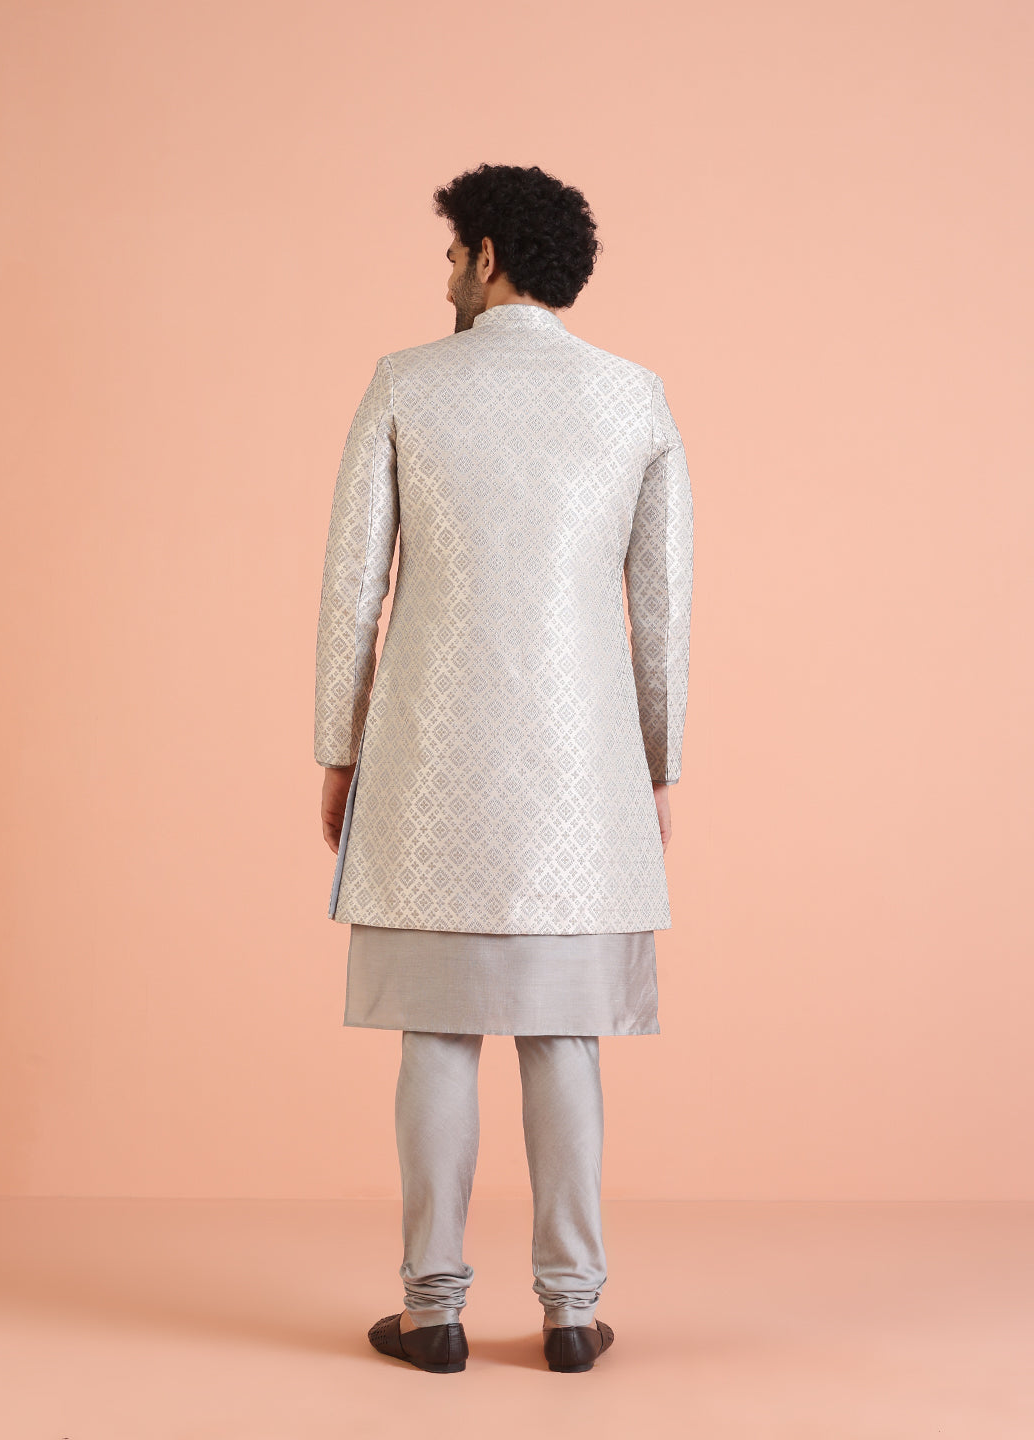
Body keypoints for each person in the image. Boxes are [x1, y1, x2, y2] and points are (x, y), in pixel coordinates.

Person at [314, 163, 694, 1374]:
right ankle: (572, 1311)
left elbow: (352, 593)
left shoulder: (405, 383)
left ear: (486, 257)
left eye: (450, 256)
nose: (445, 277)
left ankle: (432, 1312)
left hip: (428, 766)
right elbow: (662, 611)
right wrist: (659, 766)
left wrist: (338, 749)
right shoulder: (634, 397)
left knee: (434, 1037)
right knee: (563, 1038)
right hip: (584, 781)